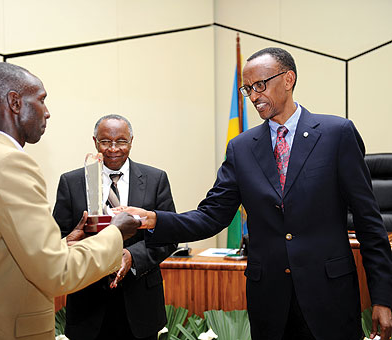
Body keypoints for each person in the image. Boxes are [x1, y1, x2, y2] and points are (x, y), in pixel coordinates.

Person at [123, 48, 392, 340]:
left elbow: (369, 223)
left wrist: (383, 296)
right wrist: (152, 220)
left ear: (288, 79)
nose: (253, 96)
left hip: (330, 297)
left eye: (260, 85)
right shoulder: (242, 147)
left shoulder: (336, 133)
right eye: (248, 89)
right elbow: (211, 216)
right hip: (270, 303)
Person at [0, 63, 141, 340]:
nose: (47, 112)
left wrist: (64, 243)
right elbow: (56, 273)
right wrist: (115, 232)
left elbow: (2, 254)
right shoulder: (12, 165)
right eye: (41, 100)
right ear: (15, 102)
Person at [53, 114, 177, 340]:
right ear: (94, 142)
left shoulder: (155, 179)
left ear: (131, 141)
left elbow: (168, 236)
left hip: (140, 303)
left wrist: (131, 256)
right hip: (87, 305)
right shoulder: (72, 183)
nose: (113, 149)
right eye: (105, 141)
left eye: (121, 141)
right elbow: (59, 238)